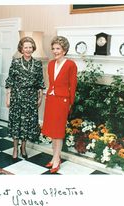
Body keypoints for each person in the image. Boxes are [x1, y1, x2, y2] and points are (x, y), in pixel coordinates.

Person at [5, 36, 45, 161]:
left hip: (31, 97)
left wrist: (40, 98)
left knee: (27, 123)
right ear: (21, 49)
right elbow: (10, 81)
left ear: (33, 48)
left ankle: (23, 146)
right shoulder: (16, 62)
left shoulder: (38, 63)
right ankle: (15, 148)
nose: (28, 49)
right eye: (25, 47)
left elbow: (40, 83)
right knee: (16, 123)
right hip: (17, 97)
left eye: (30, 47)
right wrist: (8, 97)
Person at [41, 36, 77, 173]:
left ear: (64, 50)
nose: (55, 51)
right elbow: (51, 83)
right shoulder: (50, 64)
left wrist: (70, 103)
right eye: (53, 48)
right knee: (51, 131)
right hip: (51, 99)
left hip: (63, 101)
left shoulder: (70, 64)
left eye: (58, 49)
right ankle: (54, 157)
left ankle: (56, 160)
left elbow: (73, 85)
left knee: (58, 132)